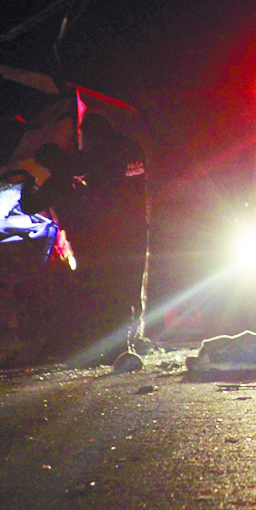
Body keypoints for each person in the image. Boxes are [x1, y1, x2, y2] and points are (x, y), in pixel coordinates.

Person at [72, 112, 150, 364]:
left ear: (94, 134)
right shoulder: (132, 148)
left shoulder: (104, 152)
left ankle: (117, 348)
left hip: (113, 230)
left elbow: (104, 187)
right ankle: (129, 342)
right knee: (131, 286)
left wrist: (82, 188)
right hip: (134, 226)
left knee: (112, 288)